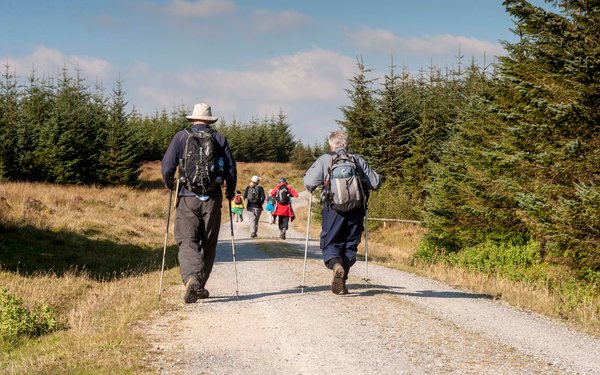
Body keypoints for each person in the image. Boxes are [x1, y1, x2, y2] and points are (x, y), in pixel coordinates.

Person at [161, 102, 237, 304]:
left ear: (193, 119)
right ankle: (199, 284)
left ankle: (191, 280)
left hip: (187, 197)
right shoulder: (219, 138)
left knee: (187, 241)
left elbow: (167, 166)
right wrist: (230, 191)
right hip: (212, 198)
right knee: (209, 242)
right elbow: (230, 169)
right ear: (210, 120)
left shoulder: (181, 137)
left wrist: (170, 184)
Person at [303, 131, 381, 295]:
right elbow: (375, 182)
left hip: (334, 209)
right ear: (347, 144)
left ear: (331, 144)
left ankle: (336, 265)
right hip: (356, 209)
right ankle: (342, 281)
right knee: (350, 244)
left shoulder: (326, 159)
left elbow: (309, 182)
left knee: (330, 242)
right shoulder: (357, 159)